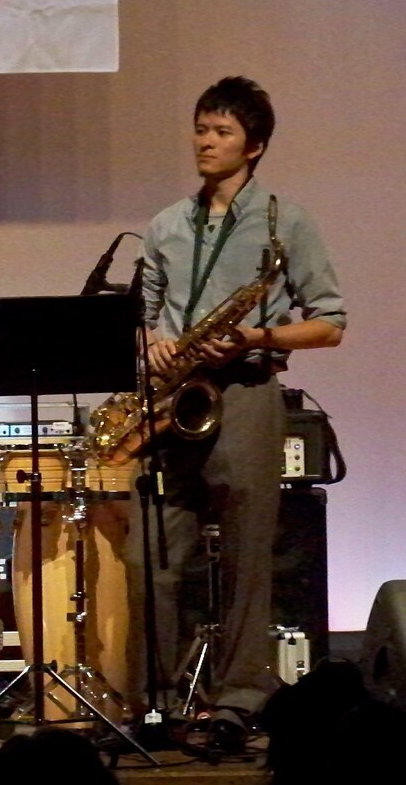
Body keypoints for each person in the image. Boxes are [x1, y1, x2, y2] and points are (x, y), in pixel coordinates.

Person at [122, 77, 346, 748]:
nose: (205, 142)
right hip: (173, 401)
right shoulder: (165, 224)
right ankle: (156, 702)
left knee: (249, 558)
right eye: (200, 129)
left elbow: (330, 323)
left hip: (246, 391)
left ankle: (239, 698)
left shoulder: (286, 222)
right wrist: (153, 343)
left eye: (220, 132)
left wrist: (257, 337)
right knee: (147, 554)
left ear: (255, 146)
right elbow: (140, 316)